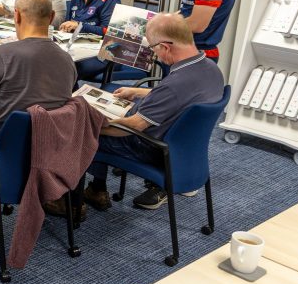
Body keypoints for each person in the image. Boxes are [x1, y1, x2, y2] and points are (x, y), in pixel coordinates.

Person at [83, 13, 224, 210]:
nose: (154, 54)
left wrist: (91, 125)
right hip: (186, 149)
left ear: (165, 47)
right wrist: (137, 91)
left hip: (149, 146)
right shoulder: (210, 69)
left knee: (82, 134)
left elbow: (133, 127)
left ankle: (92, 191)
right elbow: (181, 96)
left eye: (153, 48)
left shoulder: (175, 84)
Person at [0, 0, 77, 149]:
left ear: (16, 15)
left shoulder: (0, 55)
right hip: (46, 147)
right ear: (52, 17)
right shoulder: (67, 60)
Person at [59, 0, 121, 80]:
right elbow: (70, 23)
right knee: (54, 62)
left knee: (68, 70)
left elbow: (109, 33)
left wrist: (80, 26)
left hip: (105, 54)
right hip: (79, 48)